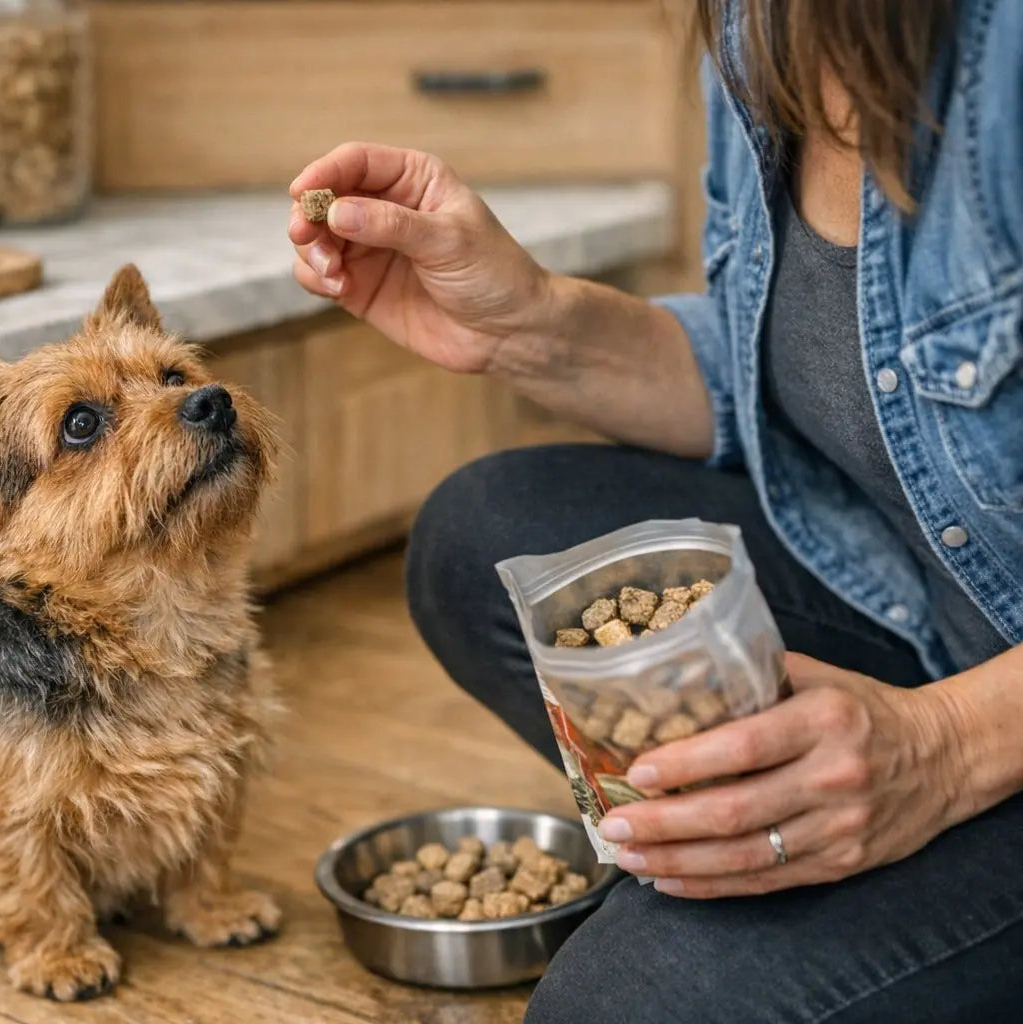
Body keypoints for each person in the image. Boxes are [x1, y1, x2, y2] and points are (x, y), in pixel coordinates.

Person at [288, 1, 1022, 1020]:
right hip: (931, 607)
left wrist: (940, 748)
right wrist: (529, 323)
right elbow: (782, 377)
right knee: (481, 535)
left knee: (620, 1005)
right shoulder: (762, 24)